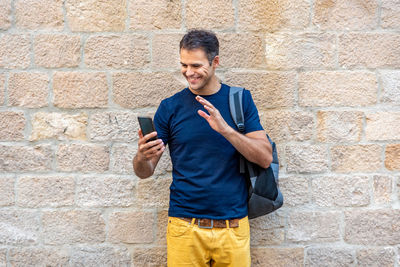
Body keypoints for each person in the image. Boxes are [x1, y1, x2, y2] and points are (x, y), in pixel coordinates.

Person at [133, 29, 272, 267]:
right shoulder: (170, 107)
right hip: (184, 227)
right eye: (184, 65)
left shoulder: (240, 100)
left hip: (233, 226)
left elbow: (265, 158)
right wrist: (142, 156)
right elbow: (144, 171)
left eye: (196, 65)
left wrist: (226, 130)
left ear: (215, 62)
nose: (189, 72)